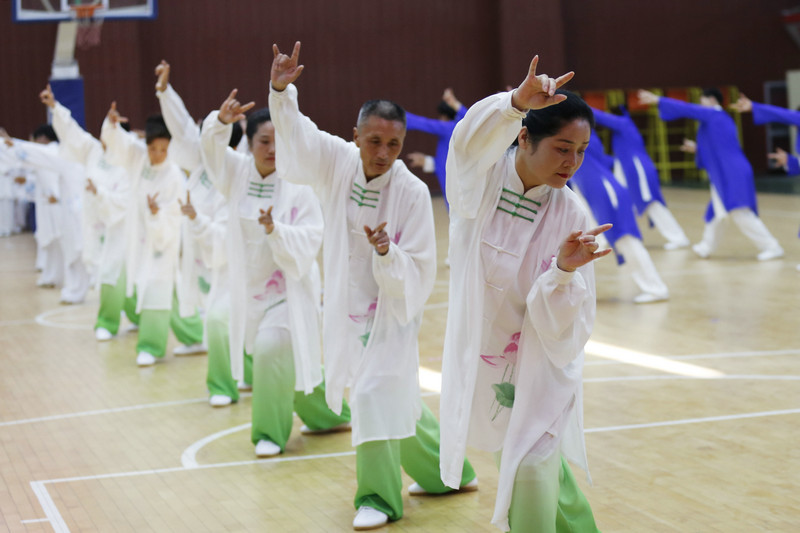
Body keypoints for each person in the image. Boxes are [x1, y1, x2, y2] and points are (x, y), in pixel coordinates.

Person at [269, 42, 477, 531]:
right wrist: (281, 90)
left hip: (389, 314)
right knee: (393, 397)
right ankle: (449, 472)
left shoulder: (408, 193)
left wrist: (388, 254)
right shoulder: (337, 161)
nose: (383, 154)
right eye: (373, 141)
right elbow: (298, 137)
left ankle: (379, 499)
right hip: (344, 306)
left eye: (394, 145)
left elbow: (422, 267)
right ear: (355, 135)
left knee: (373, 394)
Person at [439, 56, 606, 532]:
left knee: (532, 463)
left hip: (538, 360)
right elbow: (466, 145)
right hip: (482, 351)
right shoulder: (481, 183)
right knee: (524, 459)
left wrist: (562, 274)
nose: (571, 162)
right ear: (524, 137)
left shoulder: (573, 213)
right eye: (561, 148)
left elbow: (576, 322)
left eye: (581, 151)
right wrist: (513, 104)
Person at [200, 88, 351, 453]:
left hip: (289, 289)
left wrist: (275, 230)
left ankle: (269, 433)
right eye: (263, 141)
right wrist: (219, 123)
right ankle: (332, 414)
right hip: (247, 291)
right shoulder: (235, 173)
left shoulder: (298, 184)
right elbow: (210, 151)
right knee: (290, 361)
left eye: (277, 141)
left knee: (272, 349)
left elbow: (312, 236)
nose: (272, 149)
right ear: (249, 144)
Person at [101, 104, 202, 366]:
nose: (157, 155)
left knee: (158, 287)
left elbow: (174, 214)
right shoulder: (138, 157)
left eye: (163, 150)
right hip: (137, 236)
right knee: (166, 289)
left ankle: (151, 346)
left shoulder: (173, 175)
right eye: (153, 148)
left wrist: (157, 214)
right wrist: (111, 126)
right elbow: (117, 147)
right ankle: (196, 335)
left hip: (162, 240)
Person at [638, 88, 783, 261]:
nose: (701, 104)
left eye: (703, 101)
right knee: (716, 212)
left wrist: (659, 100)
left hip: (731, 172)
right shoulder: (720, 120)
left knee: (739, 211)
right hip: (728, 170)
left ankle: (771, 246)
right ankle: (706, 247)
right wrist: (697, 149)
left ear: (712, 100)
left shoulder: (714, 115)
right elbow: (720, 148)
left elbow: (687, 109)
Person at [39, 84, 137, 339]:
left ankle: (124, 318)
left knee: (120, 273)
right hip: (95, 223)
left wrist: (100, 193)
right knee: (108, 273)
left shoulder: (129, 162)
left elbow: (125, 200)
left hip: (120, 226)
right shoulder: (93, 150)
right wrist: (54, 107)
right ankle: (111, 320)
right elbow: (72, 133)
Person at [569, 131, 669, 304]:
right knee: (582, 246)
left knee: (628, 242)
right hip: (598, 196)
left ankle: (656, 288)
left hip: (608, 195)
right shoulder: (578, 147)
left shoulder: (581, 139)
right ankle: (574, 292)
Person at [1, 124, 90, 304]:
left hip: (73, 209)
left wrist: (14, 145)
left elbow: (37, 155)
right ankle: (66, 285)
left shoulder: (75, 152)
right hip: (64, 208)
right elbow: (36, 156)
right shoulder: (59, 152)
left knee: (76, 250)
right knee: (65, 249)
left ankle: (76, 288)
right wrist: (13, 144)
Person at [591, 105, 689, 250]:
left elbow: (601, 117)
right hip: (626, 171)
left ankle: (678, 237)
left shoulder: (624, 123)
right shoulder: (622, 131)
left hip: (638, 171)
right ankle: (617, 237)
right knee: (618, 203)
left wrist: (578, 105)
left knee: (651, 204)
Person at [405, 88, 467, 209]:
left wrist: (398, 116)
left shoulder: (449, 128)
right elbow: (446, 164)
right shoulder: (457, 131)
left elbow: (422, 123)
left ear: (444, 117)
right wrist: (427, 161)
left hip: (457, 190)